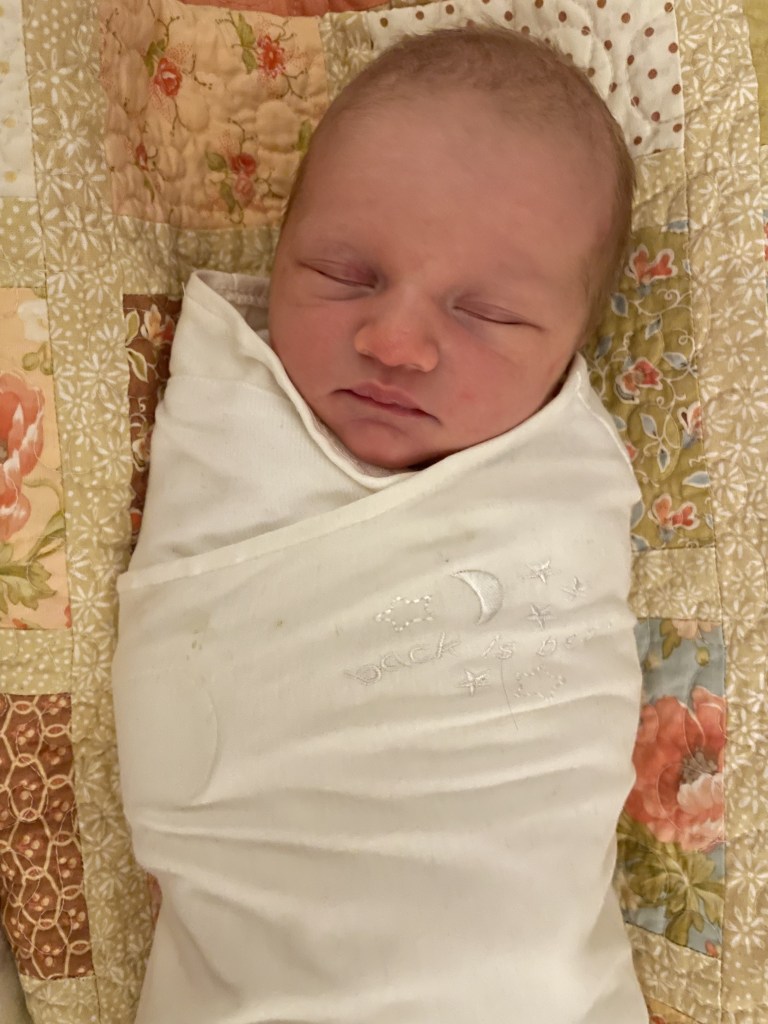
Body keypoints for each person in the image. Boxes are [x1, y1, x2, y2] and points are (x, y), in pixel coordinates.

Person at [112, 25, 649, 1024]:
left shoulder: (563, 482)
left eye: (487, 314)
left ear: (575, 345)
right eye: (343, 273)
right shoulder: (231, 413)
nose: (394, 341)